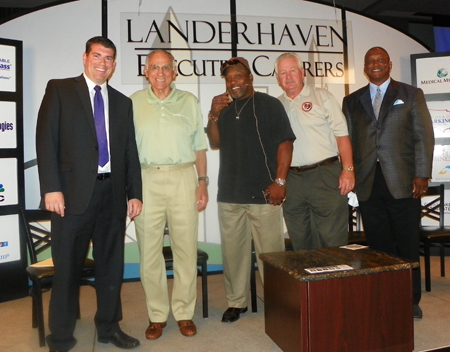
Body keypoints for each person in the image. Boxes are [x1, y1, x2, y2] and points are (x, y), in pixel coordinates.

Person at [36, 36, 142, 352]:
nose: (103, 63)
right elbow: (46, 140)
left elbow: (129, 151)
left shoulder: (123, 103)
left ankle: (109, 328)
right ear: (85, 58)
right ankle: (61, 338)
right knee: (67, 269)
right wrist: (51, 188)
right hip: (70, 196)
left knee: (111, 267)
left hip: (112, 195)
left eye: (109, 58)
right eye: (97, 56)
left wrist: (134, 193)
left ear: (114, 63)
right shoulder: (60, 89)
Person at [342, 46, 434, 319]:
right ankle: (383, 296)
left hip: (404, 180)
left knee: (406, 242)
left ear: (390, 64)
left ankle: (410, 299)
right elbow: (347, 141)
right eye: (371, 61)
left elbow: (423, 136)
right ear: (365, 68)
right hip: (369, 182)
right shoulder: (352, 100)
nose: (376, 64)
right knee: (379, 244)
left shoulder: (410, 94)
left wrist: (422, 174)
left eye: (381, 60)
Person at [207, 57, 295, 323]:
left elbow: (285, 145)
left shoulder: (270, 105)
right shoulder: (222, 107)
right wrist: (213, 114)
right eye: (229, 78)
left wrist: (280, 182)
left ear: (250, 78)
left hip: (264, 195)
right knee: (233, 254)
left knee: (271, 255)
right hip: (230, 195)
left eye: (238, 76)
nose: (233, 82)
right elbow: (214, 142)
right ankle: (237, 303)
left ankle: (278, 302)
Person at [130, 49, 208, 339]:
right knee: (149, 252)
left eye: (165, 68)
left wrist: (202, 182)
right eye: (154, 67)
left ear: (174, 72)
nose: (160, 72)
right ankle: (157, 315)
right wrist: (130, 190)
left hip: (183, 179)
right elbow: (126, 150)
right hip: (146, 179)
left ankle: (184, 313)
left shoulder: (189, 101)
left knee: (185, 249)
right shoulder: (134, 103)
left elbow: (199, 145)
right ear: (146, 72)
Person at [274, 53, 355, 251]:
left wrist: (348, 169)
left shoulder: (322, 97)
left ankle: (334, 282)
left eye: (292, 71)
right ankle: (309, 282)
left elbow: (342, 135)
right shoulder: (275, 106)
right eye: (283, 73)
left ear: (302, 73)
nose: (289, 76)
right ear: (277, 79)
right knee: (300, 239)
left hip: (325, 175)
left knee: (332, 239)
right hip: (292, 180)